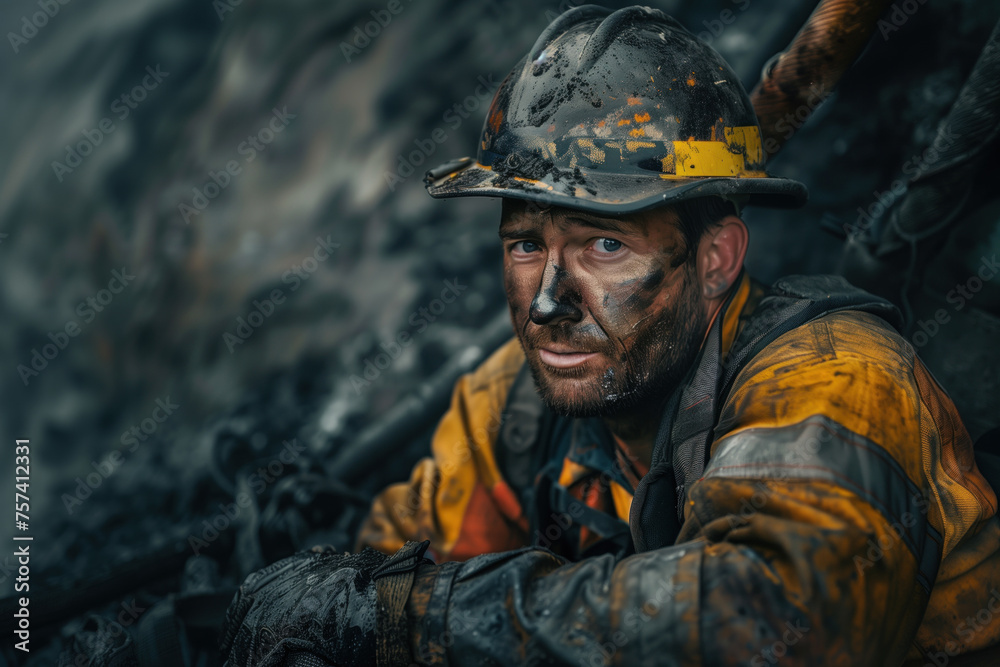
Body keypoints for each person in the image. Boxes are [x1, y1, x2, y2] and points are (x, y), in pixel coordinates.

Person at [220, 6, 1000, 665]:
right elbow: (401, 558)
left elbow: (772, 624)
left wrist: (408, 616)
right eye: (526, 243)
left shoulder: (843, 379)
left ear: (718, 257)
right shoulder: (517, 403)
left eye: (604, 245)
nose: (549, 301)